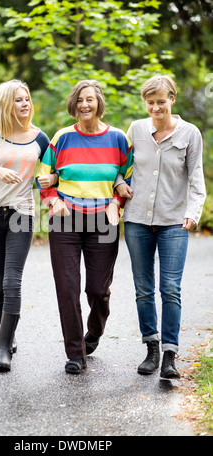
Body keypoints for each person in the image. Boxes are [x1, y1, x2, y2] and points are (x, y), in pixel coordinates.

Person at [36, 79, 133, 374]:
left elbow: (128, 178)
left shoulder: (118, 139)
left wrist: (118, 201)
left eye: (90, 99)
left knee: (98, 289)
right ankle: (75, 353)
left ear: (99, 103)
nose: (84, 105)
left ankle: (95, 330)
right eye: (80, 100)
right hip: (65, 218)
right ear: (74, 104)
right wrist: (53, 199)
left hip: (104, 218)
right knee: (67, 287)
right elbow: (44, 175)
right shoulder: (62, 137)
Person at [116, 75, 206, 379]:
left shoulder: (190, 134)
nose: (156, 107)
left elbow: (196, 180)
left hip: (173, 221)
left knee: (170, 288)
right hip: (137, 219)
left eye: (161, 101)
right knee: (143, 289)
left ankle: (170, 353)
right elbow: (122, 169)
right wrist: (119, 184)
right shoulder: (136, 130)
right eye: (150, 102)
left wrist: (193, 213)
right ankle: (151, 348)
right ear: (145, 103)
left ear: (172, 99)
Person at [0, 79, 49, 371]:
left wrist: (49, 184)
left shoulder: (41, 138)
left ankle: (3, 348)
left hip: (22, 214)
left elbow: (49, 177)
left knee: (11, 280)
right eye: (18, 99)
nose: (25, 103)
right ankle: (9, 332)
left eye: (27, 98)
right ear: (6, 104)